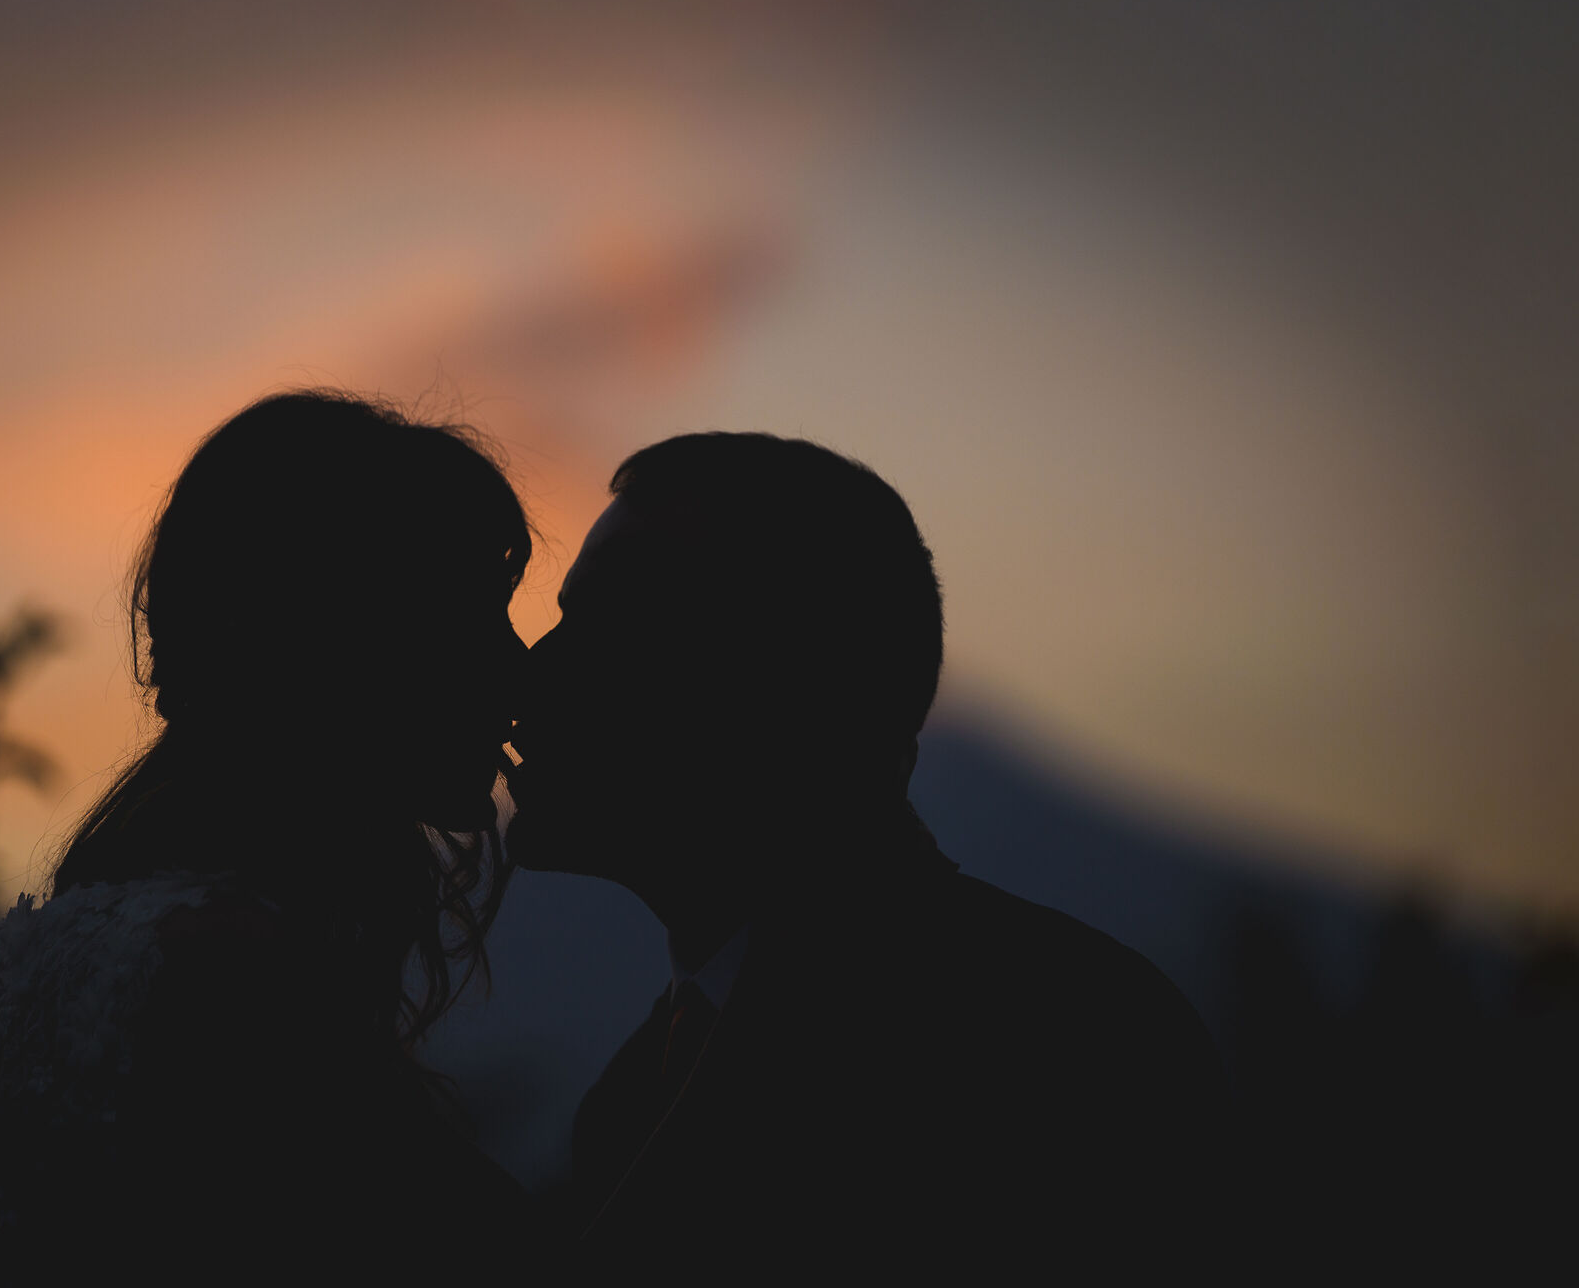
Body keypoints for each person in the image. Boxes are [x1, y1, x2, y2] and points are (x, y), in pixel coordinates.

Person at [507, 432, 1228, 1275]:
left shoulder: (1067, 1049)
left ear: (781, 685)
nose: (532, 675)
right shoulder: (630, 1097)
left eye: (606, 629)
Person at [0, 391, 537, 1275]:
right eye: (475, 617)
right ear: (347, 643)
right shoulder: (234, 976)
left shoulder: (98, 940)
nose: (517, 665)